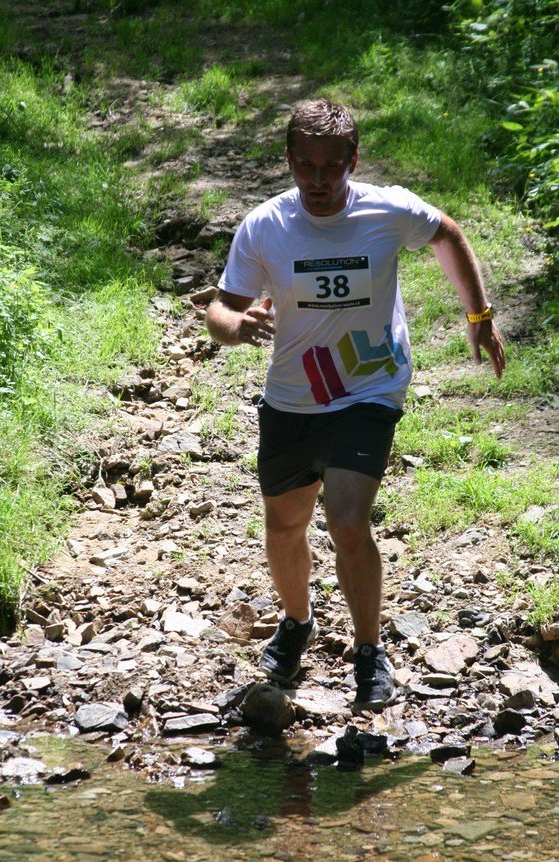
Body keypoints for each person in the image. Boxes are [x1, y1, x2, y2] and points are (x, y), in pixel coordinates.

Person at [205, 99, 505, 712]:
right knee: (284, 525)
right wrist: (237, 327)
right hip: (294, 395)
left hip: (369, 387)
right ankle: (297, 622)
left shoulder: (386, 209)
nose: (318, 180)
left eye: (331, 167)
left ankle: (369, 651)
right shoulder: (264, 226)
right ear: (289, 161)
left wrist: (478, 314)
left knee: (346, 520)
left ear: (353, 161)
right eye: (306, 166)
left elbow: (448, 233)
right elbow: (221, 308)